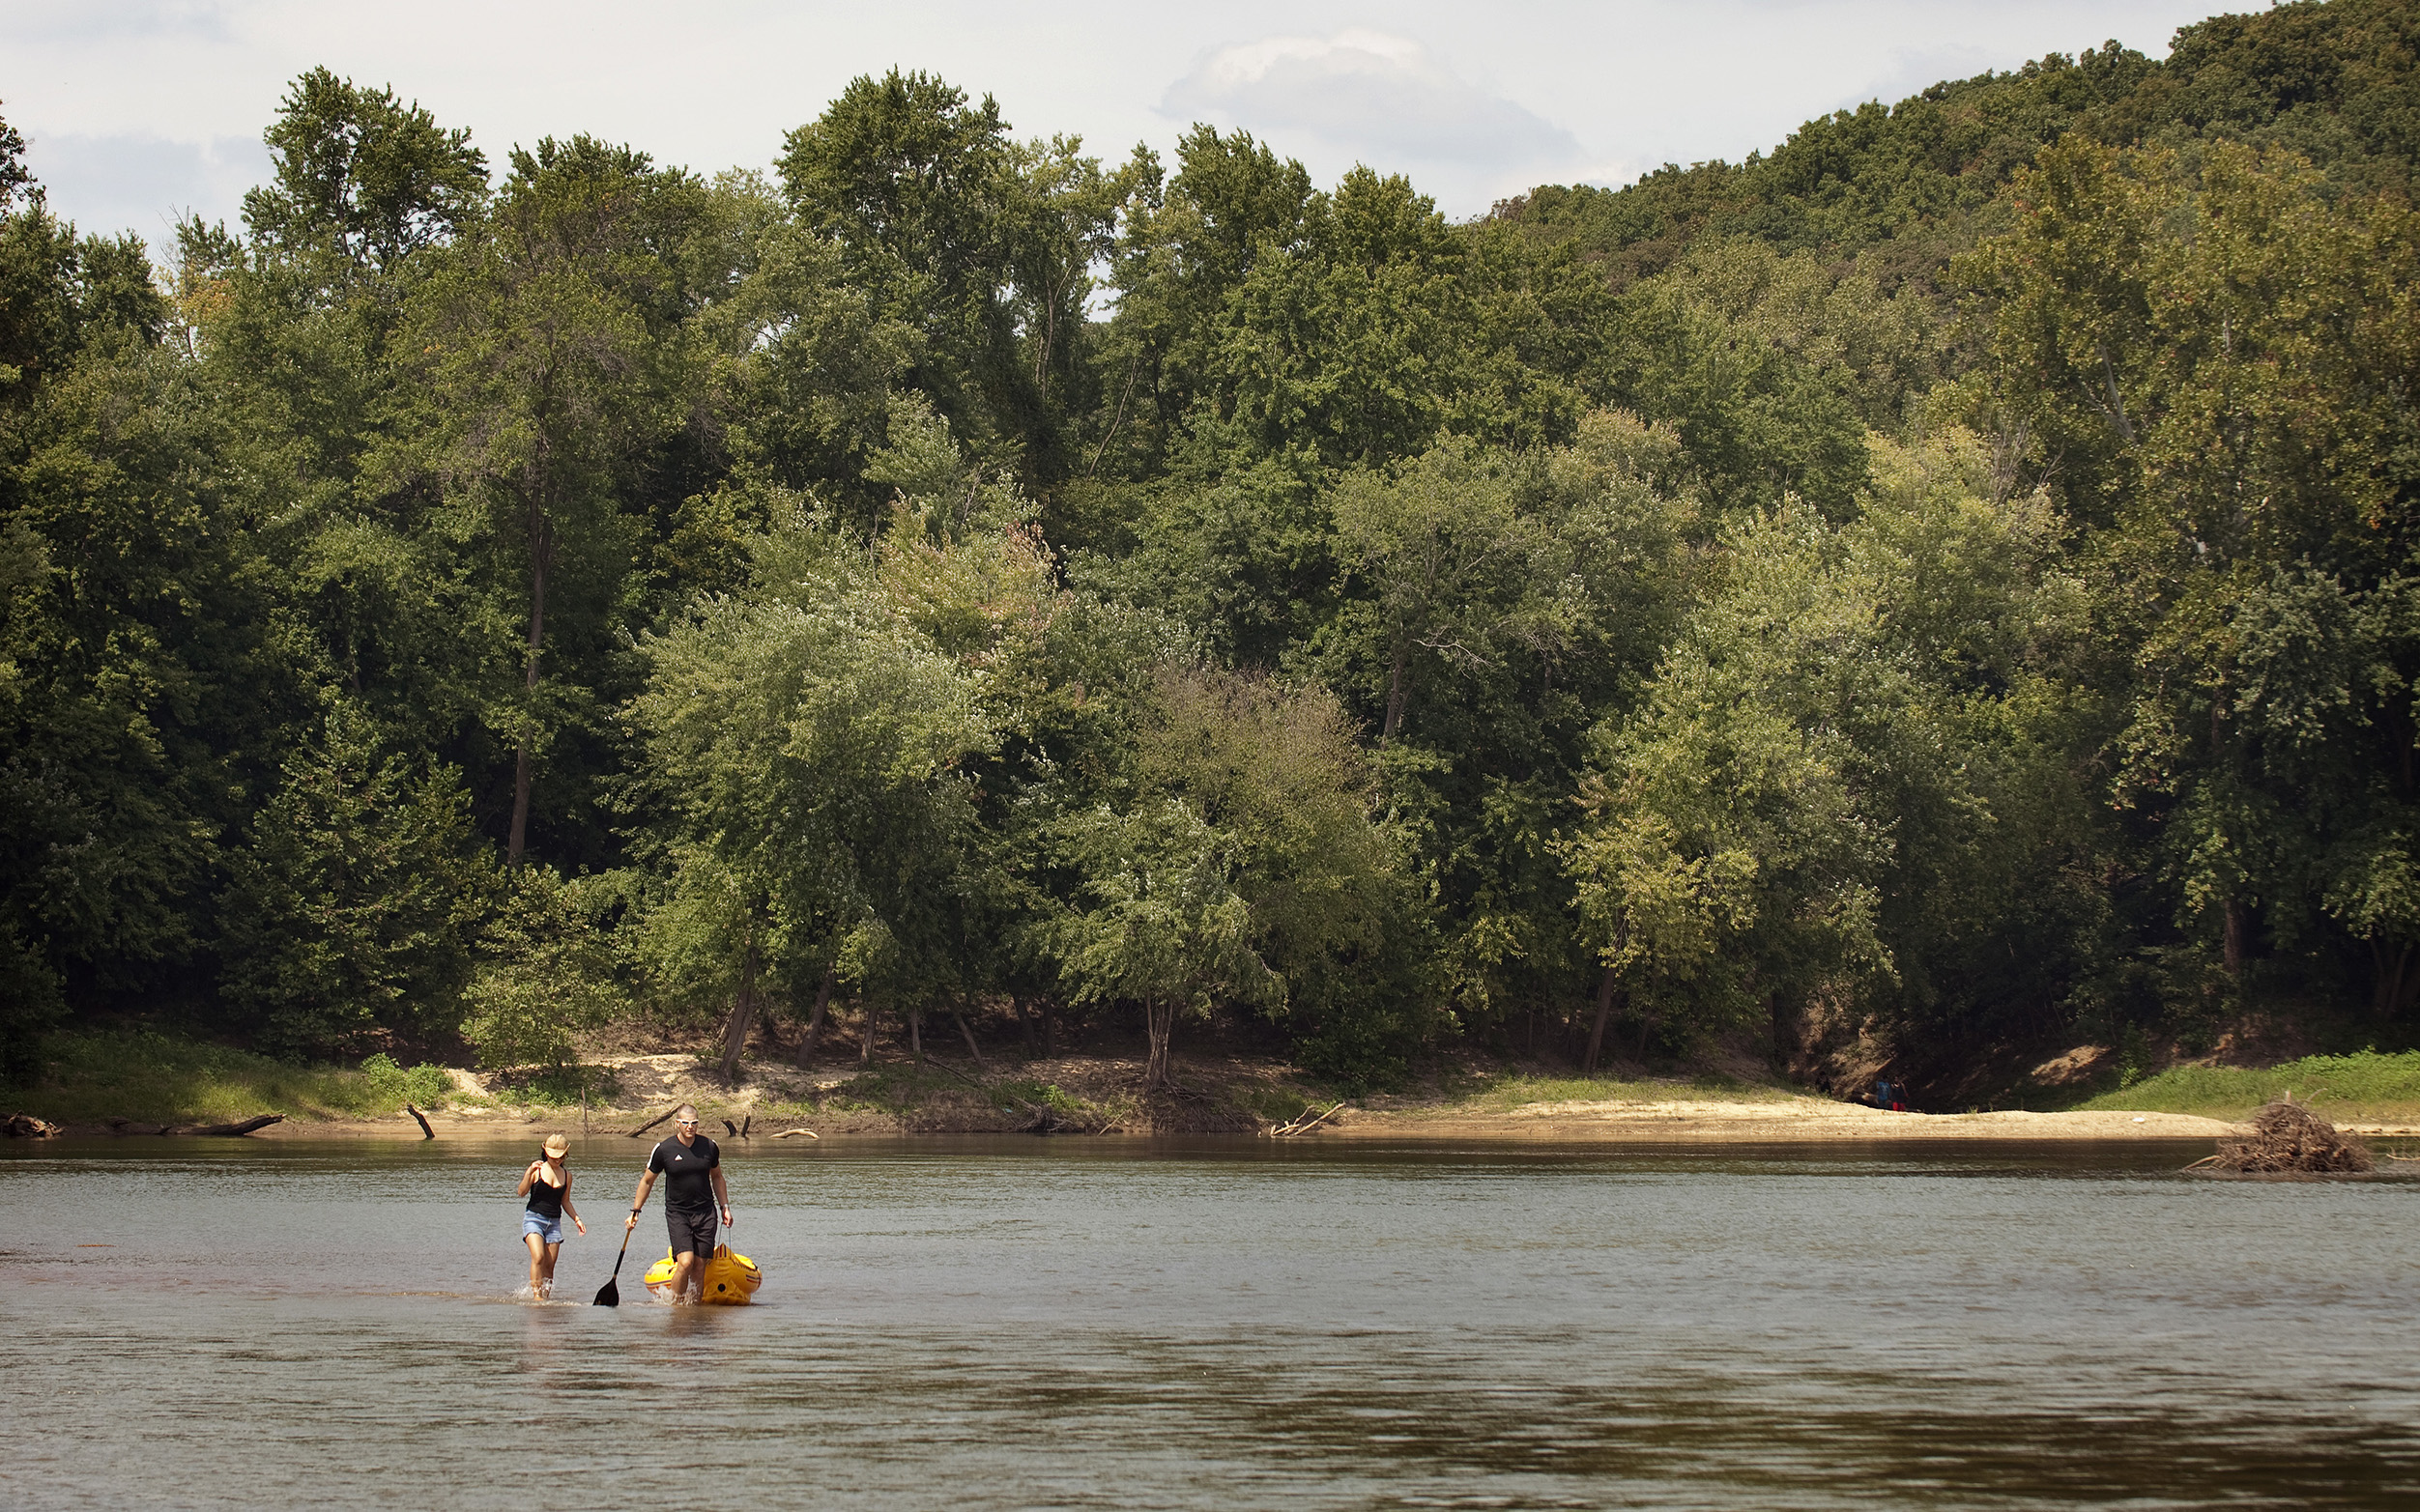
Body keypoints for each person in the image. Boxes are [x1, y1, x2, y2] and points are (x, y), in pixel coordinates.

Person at [625, 1104, 732, 1303]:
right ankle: (674, 1306)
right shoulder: (664, 1149)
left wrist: (725, 1207)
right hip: (678, 1213)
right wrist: (635, 1211)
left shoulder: (709, 1146)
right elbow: (647, 1181)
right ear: (677, 1124)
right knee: (685, 1262)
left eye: (694, 1123)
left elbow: (717, 1177)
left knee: (700, 1264)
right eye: (685, 1123)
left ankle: (694, 1309)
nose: (690, 1127)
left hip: (706, 1212)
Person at [516, 1133, 586, 1297]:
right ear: (545, 1152)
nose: (557, 1160)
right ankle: (536, 1296)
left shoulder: (567, 1176)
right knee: (539, 1257)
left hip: (554, 1223)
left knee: (549, 1265)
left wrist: (577, 1219)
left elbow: (565, 1201)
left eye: (560, 1157)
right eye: (553, 1156)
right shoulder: (536, 1170)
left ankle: (545, 1298)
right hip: (534, 1219)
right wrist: (528, 1173)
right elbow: (521, 1192)